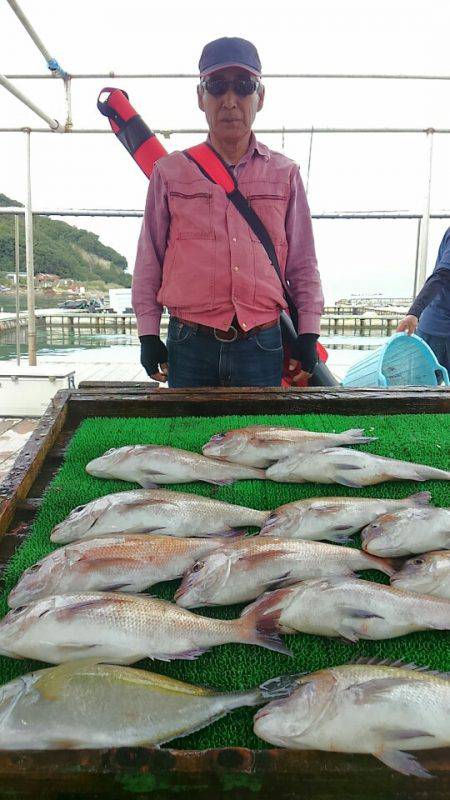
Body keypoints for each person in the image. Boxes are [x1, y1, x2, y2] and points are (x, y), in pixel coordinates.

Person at [132, 37, 324, 388]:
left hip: (262, 344)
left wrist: (308, 333)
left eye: (243, 86)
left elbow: (303, 262)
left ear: (260, 97)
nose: (230, 101)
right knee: (185, 440)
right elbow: (149, 259)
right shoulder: (168, 172)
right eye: (217, 86)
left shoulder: (286, 174)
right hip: (188, 343)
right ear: (200, 97)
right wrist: (148, 334)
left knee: (260, 439)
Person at [397, 227, 450, 372]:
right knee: (420, 386)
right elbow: (442, 275)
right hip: (438, 328)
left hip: (434, 324)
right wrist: (414, 312)